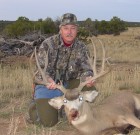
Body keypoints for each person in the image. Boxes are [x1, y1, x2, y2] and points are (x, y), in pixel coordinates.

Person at [28, 13, 95, 127]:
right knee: (49, 122)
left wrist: (88, 78)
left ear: (77, 30)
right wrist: (48, 80)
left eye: (73, 28)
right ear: (60, 30)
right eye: (66, 28)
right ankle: (34, 106)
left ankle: (67, 107)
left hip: (69, 85)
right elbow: (39, 71)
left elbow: (86, 69)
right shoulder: (48, 44)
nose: (69, 32)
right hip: (49, 86)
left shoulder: (81, 47)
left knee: (91, 88)